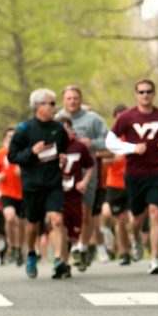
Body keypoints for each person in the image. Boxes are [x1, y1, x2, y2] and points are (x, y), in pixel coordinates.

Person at [106, 79, 158, 275]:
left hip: (156, 173)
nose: (145, 95)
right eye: (141, 92)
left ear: (154, 94)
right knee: (137, 218)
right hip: (134, 175)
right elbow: (109, 141)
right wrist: (131, 148)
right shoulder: (126, 117)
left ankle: (154, 259)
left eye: (148, 91)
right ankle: (135, 237)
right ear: (136, 94)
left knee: (156, 213)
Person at [8, 89, 70, 280]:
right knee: (33, 226)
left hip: (53, 183)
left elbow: (63, 149)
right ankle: (32, 254)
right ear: (38, 106)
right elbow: (12, 156)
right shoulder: (24, 129)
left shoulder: (58, 129)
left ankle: (59, 260)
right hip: (32, 185)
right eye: (51, 104)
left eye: (54, 104)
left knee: (57, 220)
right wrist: (31, 152)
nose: (55, 107)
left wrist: (62, 159)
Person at [56, 85, 109, 272]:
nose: (72, 101)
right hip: (61, 176)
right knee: (62, 217)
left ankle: (82, 247)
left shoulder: (93, 119)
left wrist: (92, 143)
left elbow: (109, 140)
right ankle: (64, 253)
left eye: (75, 98)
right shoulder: (56, 119)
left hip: (86, 173)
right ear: (63, 100)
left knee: (86, 213)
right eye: (69, 98)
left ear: (80, 99)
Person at [0, 127, 25, 267]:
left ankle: (19, 248)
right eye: (9, 136)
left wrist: (23, 170)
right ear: (5, 137)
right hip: (6, 192)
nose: (11, 138)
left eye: (14, 136)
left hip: (23, 192)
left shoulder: (23, 152)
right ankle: (12, 244)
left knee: (22, 224)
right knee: (10, 218)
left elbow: (32, 168)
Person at [104, 105, 132, 265]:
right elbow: (98, 160)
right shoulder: (109, 138)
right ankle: (123, 252)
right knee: (120, 220)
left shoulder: (135, 136)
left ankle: (134, 242)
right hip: (115, 184)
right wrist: (110, 159)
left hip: (133, 181)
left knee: (135, 218)